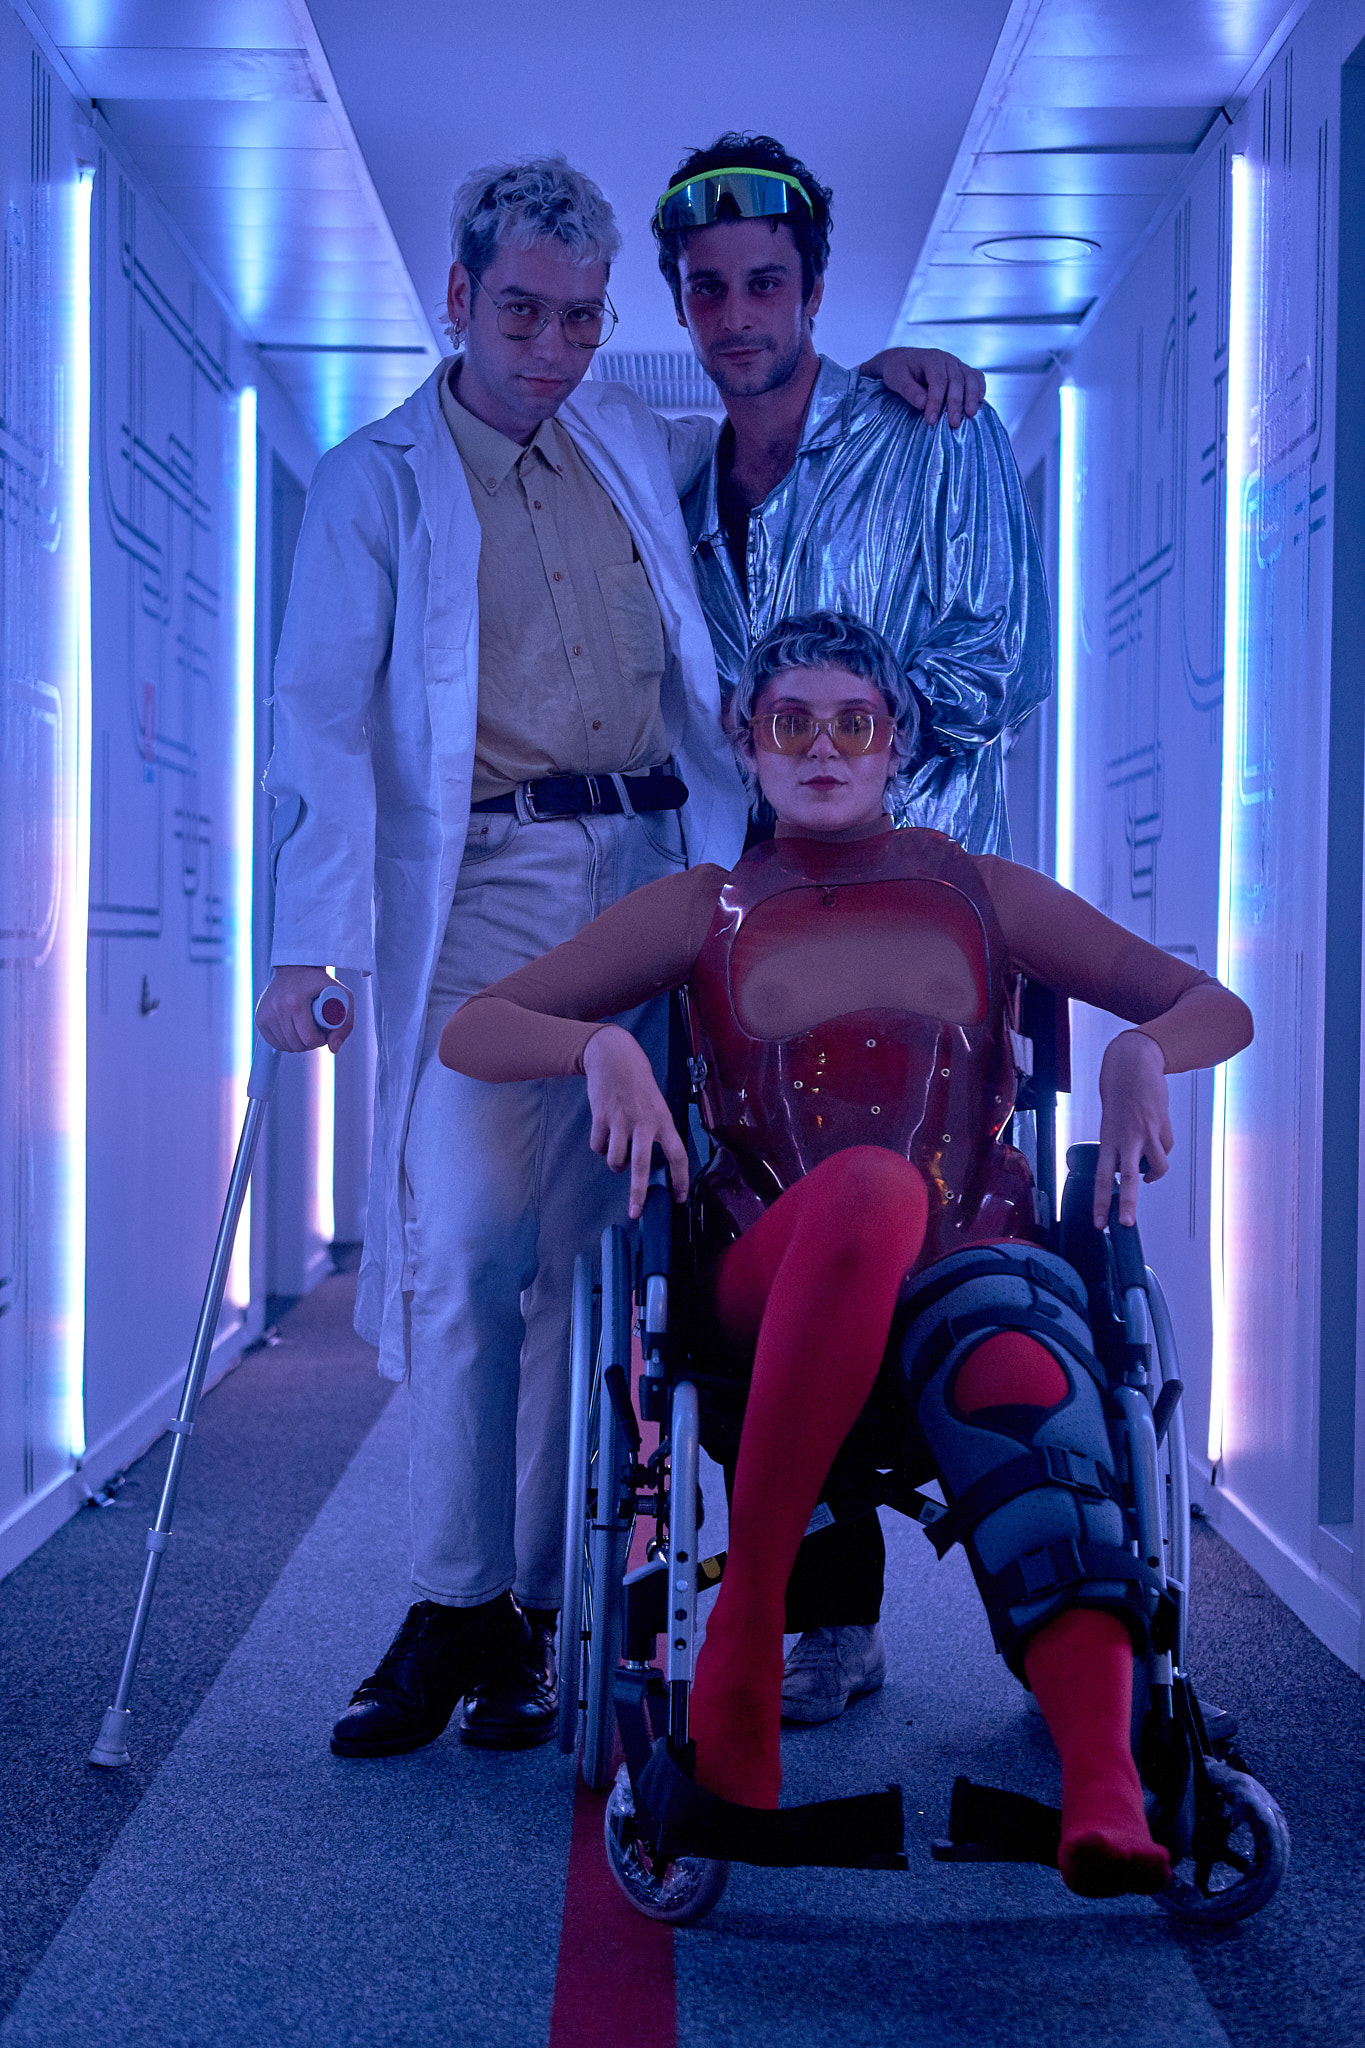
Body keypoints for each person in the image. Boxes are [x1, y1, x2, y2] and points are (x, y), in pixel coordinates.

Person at [256, 155, 984, 1760]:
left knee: (591, 1264)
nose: (553, 348)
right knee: (466, 1244)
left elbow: (770, 424)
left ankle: (524, 1614)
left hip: (652, 878)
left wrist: (888, 376)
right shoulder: (375, 483)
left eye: (583, 318)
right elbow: (317, 724)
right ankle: (448, 1599)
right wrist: (305, 945)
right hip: (480, 887)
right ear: (458, 299)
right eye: (523, 312)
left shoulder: (626, 440)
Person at [438, 612, 1252, 1897]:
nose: (824, 748)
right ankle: (750, 1619)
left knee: (1019, 1363)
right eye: (792, 722)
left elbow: (1214, 1004)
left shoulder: (981, 889)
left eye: (854, 722)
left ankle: (1105, 1777)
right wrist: (600, 1046)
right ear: (747, 744)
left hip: (965, 1262)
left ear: (897, 743)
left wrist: (1139, 1051)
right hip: (772, 1268)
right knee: (872, 1187)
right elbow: (477, 1027)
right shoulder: (704, 906)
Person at [651, 134, 1053, 1718]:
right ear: (680, 303)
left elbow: (1000, 659)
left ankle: (1054, 1597)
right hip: (749, 938)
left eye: (766, 283)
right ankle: (822, 1604)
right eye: (707, 290)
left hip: (917, 922)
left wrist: (834, 765)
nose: (737, 315)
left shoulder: (930, 430)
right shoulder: (676, 484)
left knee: (956, 1234)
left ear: (815, 291)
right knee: (745, 1219)